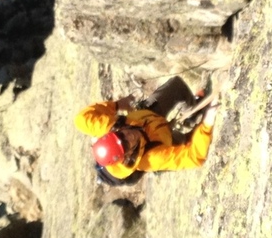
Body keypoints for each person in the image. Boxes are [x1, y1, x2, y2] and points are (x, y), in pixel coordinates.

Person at [74, 76, 219, 182]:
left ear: (114, 132)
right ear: (126, 156)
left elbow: (81, 119)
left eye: (121, 136)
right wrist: (206, 125)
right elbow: (192, 157)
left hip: (148, 116)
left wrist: (118, 105)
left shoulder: (111, 126)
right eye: (125, 145)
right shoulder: (150, 158)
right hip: (162, 141)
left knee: (176, 86)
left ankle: (192, 114)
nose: (128, 137)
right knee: (191, 142)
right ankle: (197, 122)